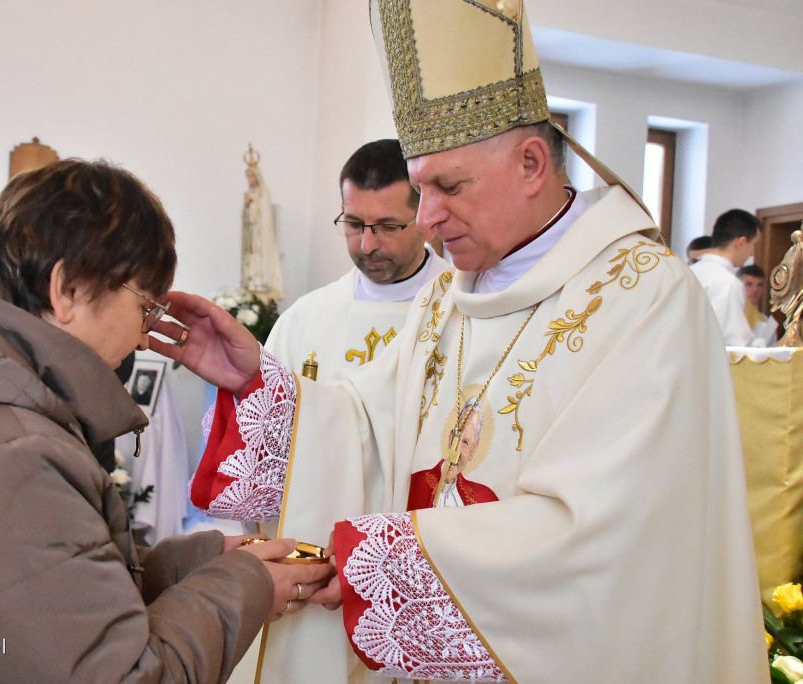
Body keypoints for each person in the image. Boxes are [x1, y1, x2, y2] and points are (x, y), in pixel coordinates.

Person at [152, 1, 766, 681]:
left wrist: (383, 562)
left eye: (449, 186)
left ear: (533, 163)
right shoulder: (450, 296)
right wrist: (259, 383)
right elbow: (365, 432)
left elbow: (608, 538)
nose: (429, 218)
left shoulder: (644, 298)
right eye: (420, 188)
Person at [0, 159, 333, 680]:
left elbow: (37, 600)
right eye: (144, 307)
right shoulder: (0, 455)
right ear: (67, 289)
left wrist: (197, 562)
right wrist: (244, 585)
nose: (147, 335)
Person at [264, 139, 451, 382]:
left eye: (387, 226)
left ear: (426, 221)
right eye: (354, 224)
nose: (367, 245)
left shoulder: (459, 311)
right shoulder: (303, 319)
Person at [691, 208, 762, 346]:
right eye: (753, 244)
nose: (752, 253)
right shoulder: (727, 283)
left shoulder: (690, 272)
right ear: (741, 243)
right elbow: (734, 344)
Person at [241, 150, 283, 300]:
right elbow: (247, 218)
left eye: (251, 175)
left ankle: (259, 282)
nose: (249, 179)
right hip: (251, 234)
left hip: (260, 236)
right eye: (247, 176)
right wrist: (247, 206)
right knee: (250, 257)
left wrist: (251, 204)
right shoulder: (249, 192)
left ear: (257, 176)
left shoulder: (263, 193)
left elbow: (263, 217)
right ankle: (252, 282)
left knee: (258, 257)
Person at [738, 263, 779, 345]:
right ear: (738, 284)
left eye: (760, 285)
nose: (755, 289)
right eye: (749, 284)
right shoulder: (732, 315)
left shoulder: (766, 322)